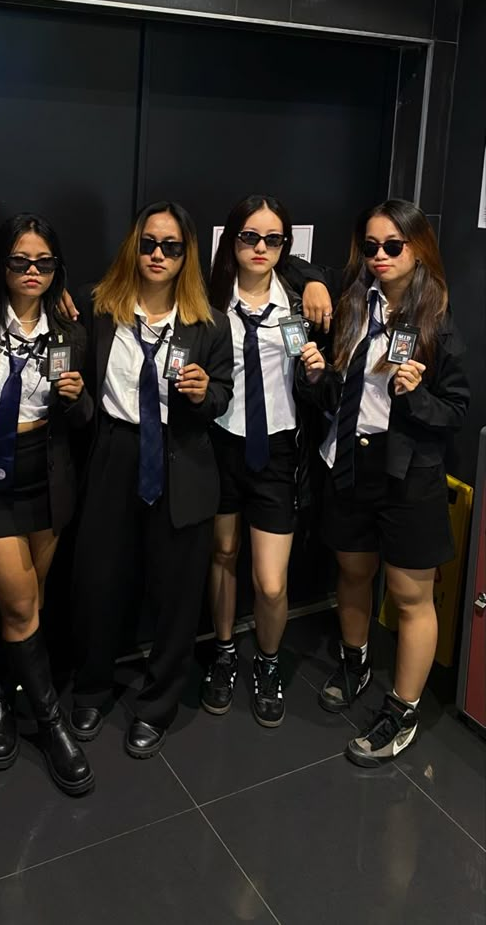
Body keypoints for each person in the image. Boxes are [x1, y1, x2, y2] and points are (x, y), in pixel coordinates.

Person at [298, 199, 469, 766]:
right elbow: (335, 398)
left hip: (406, 475)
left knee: (409, 594)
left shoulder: (436, 321)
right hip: (347, 460)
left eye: (392, 246)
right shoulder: (352, 306)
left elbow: (454, 413)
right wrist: (318, 376)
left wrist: (415, 394)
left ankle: (403, 708)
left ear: (417, 248)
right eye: (369, 246)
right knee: (352, 570)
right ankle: (355, 659)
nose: (379, 257)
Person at [67, 200, 234, 758]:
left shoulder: (209, 324)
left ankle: (158, 704)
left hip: (181, 457)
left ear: (187, 255)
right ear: (133, 247)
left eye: (171, 246)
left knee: (177, 594)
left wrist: (201, 395)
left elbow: (223, 396)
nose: (157, 255)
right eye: (149, 244)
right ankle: (92, 686)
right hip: (115, 453)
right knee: (99, 581)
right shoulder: (99, 307)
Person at [0, 214, 94, 795]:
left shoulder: (72, 333)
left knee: (25, 604)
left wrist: (79, 398)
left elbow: (83, 423)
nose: (32, 271)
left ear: (57, 268)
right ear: (2, 266)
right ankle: (52, 724)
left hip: (47, 474)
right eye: (20, 261)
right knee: (18, 604)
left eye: (43, 262)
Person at [203, 195, 333, 724]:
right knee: (223, 556)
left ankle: (269, 661)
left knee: (272, 581)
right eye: (249, 237)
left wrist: (317, 373)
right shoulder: (208, 300)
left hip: (278, 450)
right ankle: (225, 652)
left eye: (273, 239)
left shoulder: (303, 305)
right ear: (231, 241)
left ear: (286, 246)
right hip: (221, 444)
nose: (260, 248)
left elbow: (322, 390)